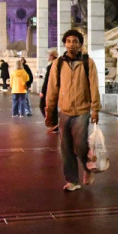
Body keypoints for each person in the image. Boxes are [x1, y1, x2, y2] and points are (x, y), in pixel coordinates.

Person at [45, 29, 101, 191]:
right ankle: (72, 180)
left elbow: (94, 86)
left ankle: (87, 167)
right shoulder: (58, 63)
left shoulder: (87, 63)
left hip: (82, 110)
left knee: (80, 143)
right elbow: (52, 88)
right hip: (65, 110)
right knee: (66, 146)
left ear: (80, 44)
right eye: (68, 41)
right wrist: (50, 111)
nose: (71, 44)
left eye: (75, 41)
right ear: (64, 43)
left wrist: (95, 108)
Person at [39, 50, 59, 133]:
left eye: (48, 55)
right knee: (54, 107)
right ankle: (55, 124)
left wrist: (42, 91)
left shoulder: (51, 66)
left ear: (52, 56)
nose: (47, 57)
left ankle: (54, 124)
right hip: (58, 89)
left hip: (49, 90)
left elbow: (47, 80)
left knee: (43, 105)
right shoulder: (59, 64)